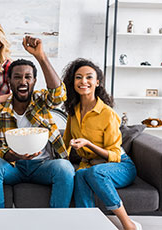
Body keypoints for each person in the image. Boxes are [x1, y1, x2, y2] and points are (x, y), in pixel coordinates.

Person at [0, 36, 75, 208]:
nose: (23, 81)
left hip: (43, 166)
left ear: (34, 81)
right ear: (9, 81)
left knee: (65, 168)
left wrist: (41, 57)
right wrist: (14, 155)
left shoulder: (40, 101)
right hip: (14, 167)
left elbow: (58, 95)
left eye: (27, 77)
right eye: (17, 77)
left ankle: (58, 221)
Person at [62, 58, 142, 230]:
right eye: (78, 77)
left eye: (89, 77)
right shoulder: (73, 112)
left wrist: (88, 145)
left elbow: (114, 154)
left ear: (97, 82)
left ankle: (127, 224)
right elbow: (65, 144)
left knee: (94, 173)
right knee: (81, 174)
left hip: (120, 166)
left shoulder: (107, 114)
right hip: (90, 166)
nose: (83, 81)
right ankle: (88, 225)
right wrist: (60, 161)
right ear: (73, 82)